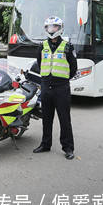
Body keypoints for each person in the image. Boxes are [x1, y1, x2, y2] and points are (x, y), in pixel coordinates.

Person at [33, 16, 77, 160]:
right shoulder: (42, 46)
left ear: (60, 28)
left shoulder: (68, 46)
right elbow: (40, 63)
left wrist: (62, 79)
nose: (51, 30)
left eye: (54, 27)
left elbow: (73, 68)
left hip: (61, 88)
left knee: (64, 120)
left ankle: (68, 148)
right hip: (46, 87)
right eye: (49, 27)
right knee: (46, 118)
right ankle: (45, 144)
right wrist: (47, 79)